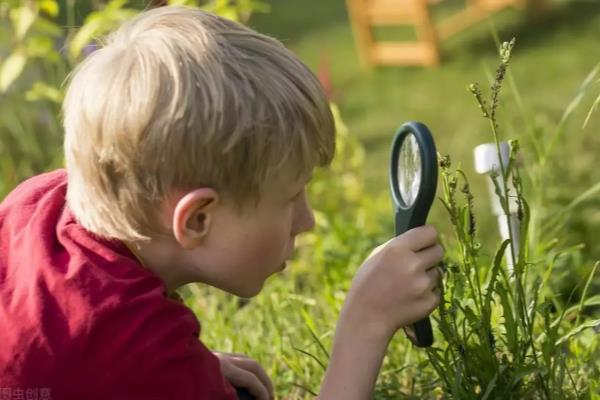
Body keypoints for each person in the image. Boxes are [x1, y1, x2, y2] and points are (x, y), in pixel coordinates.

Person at [0, 6, 443, 400]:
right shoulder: (142, 350)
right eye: (291, 199)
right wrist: (364, 325)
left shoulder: (35, 203)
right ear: (196, 220)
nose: (305, 221)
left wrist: (185, 368)